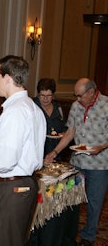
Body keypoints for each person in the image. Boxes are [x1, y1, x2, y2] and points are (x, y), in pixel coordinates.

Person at [0, 55, 46, 246]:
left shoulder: (14, 111)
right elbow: (26, 146)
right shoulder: (32, 107)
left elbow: (6, 161)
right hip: (25, 184)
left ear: (8, 78)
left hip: (11, 188)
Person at [45, 78, 108, 246]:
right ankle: (68, 234)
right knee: (71, 199)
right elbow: (70, 133)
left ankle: (88, 237)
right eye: (76, 95)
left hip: (100, 164)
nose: (77, 99)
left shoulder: (106, 105)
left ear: (91, 92)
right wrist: (55, 151)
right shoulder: (75, 107)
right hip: (77, 161)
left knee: (94, 202)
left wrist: (102, 147)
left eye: (80, 96)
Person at [33, 78, 67, 160]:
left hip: (56, 153)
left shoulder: (58, 108)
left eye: (49, 96)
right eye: (42, 95)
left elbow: (65, 128)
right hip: (38, 153)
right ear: (38, 94)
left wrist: (63, 134)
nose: (45, 99)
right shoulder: (33, 106)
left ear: (53, 95)